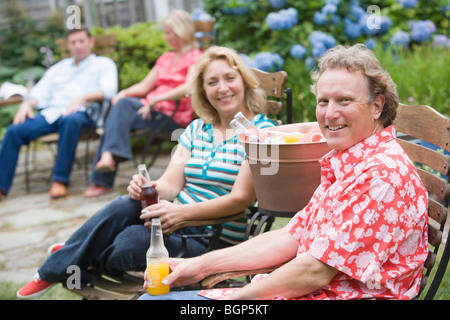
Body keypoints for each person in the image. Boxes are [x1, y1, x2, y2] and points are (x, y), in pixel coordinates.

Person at [139, 44, 429, 301]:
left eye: (344, 100)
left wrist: (237, 299)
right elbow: (291, 236)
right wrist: (197, 265)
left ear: (376, 106)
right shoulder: (350, 162)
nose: (329, 114)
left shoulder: (378, 176)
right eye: (323, 101)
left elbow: (314, 272)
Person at [16, 46, 277, 299]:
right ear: (203, 90)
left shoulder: (261, 134)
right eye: (212, 82)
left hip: (210, 240)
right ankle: (64, 261)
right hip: (171, 225)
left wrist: (180, 213)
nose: (222, 88)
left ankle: (73, 255)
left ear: (243, 81)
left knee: (131, 241)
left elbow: (239, 200)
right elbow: (170, 186)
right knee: (126, 203)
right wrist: (146, 187)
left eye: (230, 78)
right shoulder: (198, 129)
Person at [84, 10, 203, 198]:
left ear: (182, 32)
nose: (165, 37)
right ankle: (107, 159)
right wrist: (123, 92)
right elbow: (145, 85)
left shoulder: (196, 57)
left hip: (173, 115)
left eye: (168, 32)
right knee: (120, 108)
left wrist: (159, 99)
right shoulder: (166, 58)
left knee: (119, 112)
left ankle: (103, 175)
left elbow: (189, 87)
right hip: (150, 112)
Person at [0, 27, 118, 200]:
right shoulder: (58, 68)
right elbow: (39, 93)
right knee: (14, 130)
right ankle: (1, 187)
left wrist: (82, 98)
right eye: (73, 42)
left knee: (70, 121)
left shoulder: (104, 64)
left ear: (90, 42)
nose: (78, 46)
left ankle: (60, 180)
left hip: (84, 114)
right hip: (52, 114)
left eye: (81, 41)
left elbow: (109, 90)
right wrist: (27, 104)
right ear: (68, 46)